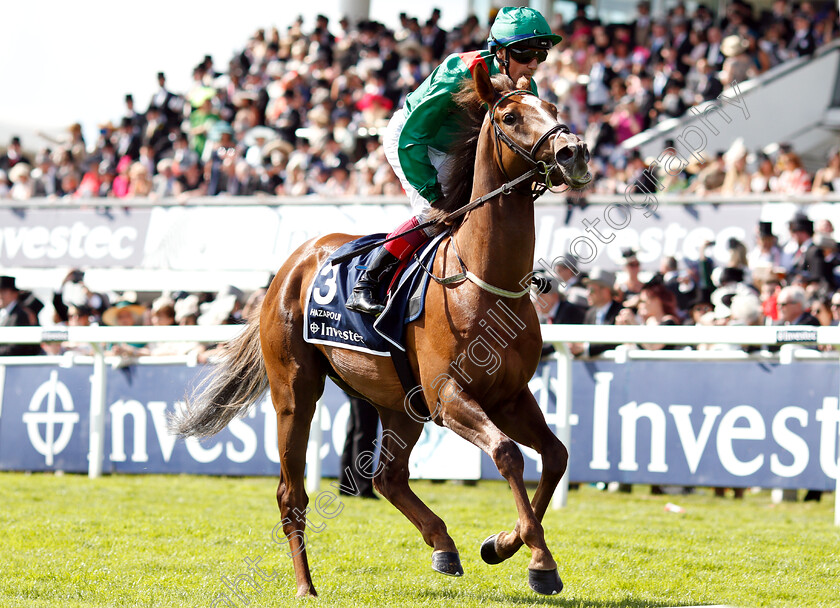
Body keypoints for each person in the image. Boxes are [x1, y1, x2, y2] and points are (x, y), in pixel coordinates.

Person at [345, 6, 563, 316]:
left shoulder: (526, 88)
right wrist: (435, 196)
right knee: (436, 215)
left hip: (458, 147)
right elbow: (414, 137)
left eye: (540, 55)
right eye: (524, 52)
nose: (532, 64)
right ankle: (367, 281)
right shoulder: (460, 70)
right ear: (499, 52)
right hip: (415, 137)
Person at [339, 396, 380, 499]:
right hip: (364, 387)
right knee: (365, 432)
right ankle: (362, 487)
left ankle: (347, 486)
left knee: (356, 431)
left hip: (353, 386)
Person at [0, 275, 41, 356]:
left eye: (3, 292)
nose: (0, 295)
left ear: (14, 294)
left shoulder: (20, 315)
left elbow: (17, 346)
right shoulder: (6, 313)